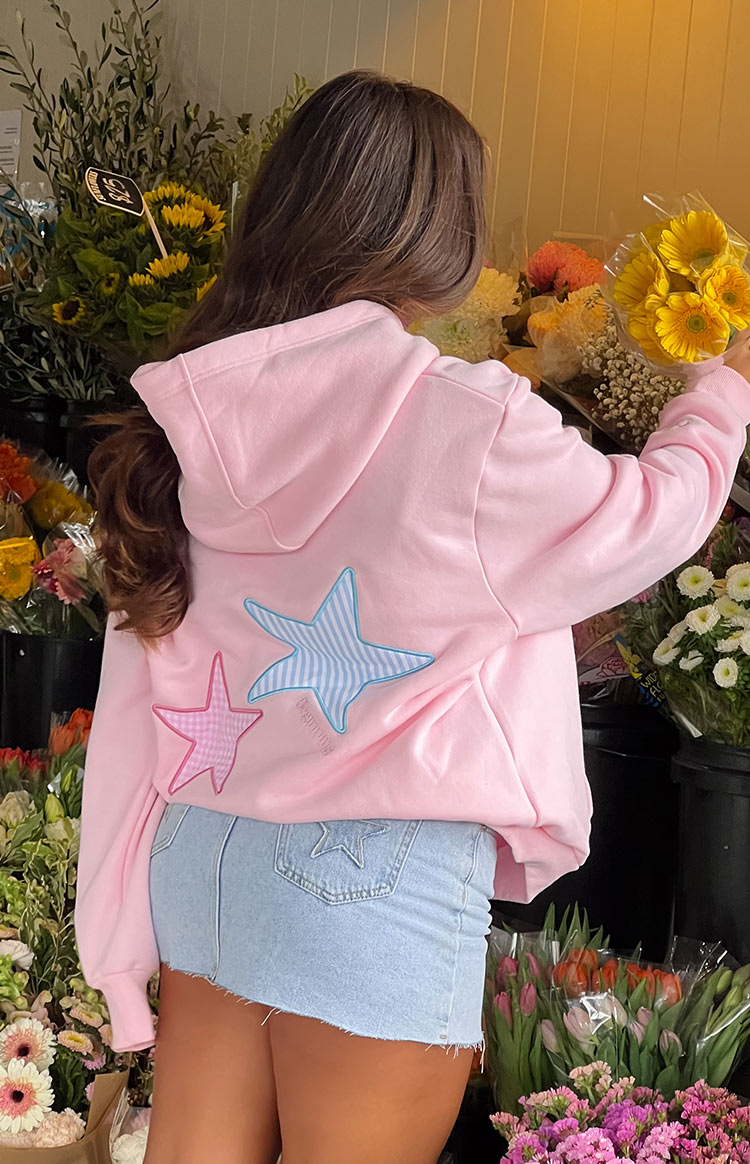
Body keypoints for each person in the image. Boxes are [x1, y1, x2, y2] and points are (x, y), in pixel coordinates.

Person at [76, 71, 750, 1164]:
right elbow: (650, 517)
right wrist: (724, 388)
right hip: (370, 863)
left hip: (207, 846)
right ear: (444, 235)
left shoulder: (199, 405)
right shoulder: (463, 421)